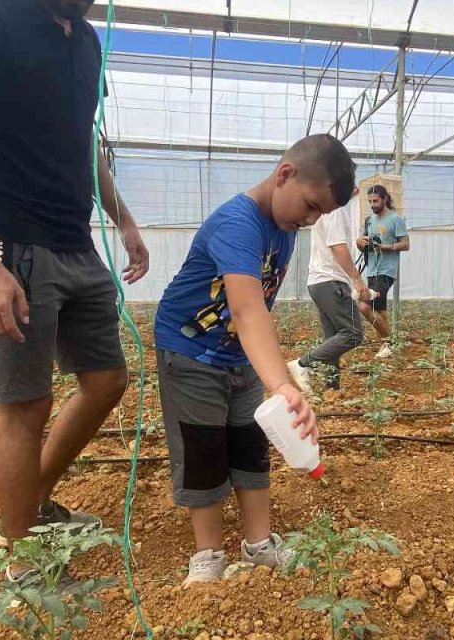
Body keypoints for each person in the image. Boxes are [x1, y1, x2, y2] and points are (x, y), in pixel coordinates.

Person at [0, 0, 150, 577]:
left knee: (106, 380)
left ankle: (29, 506)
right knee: (25, 405)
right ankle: (24, 560)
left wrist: (122, 216)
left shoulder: (84, 41)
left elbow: (82, 144)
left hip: (75, 240)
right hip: (12, 242)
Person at [154, 134, 357, 585]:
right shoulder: (238, 223)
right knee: (203, 446)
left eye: (320, 214)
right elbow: (246, 309)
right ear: (284, 174)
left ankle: (258, 543)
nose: (310, 220)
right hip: (189, 349)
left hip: (236, 353)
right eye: (309, 206)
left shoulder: (283, 229)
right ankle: (207, 556)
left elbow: (257, 312)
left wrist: (267, 373)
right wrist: (282, 383)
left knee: (250, 443)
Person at [287, 192, 372, 394]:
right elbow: (338, 247)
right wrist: (357, 280)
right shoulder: (335, 209)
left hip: (320, 282)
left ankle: (331, 387)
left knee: (333, 336)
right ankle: (302, 364)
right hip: (331, 281)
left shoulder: (328, 208)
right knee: (353, 334)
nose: (356, 189)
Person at [356, 185, 410, 358]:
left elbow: (406, 244)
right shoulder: (369, 220)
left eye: (376, 201)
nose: (372, 204)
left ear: (385, 199)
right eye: (370, 201)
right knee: (380, 312)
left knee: (364, 306)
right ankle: (385, 349)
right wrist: (360, 241)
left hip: (386, 272)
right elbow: (361, 242)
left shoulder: (395, 219)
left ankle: (390, 342)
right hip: (371, 270)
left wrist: (385, 247)